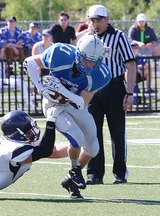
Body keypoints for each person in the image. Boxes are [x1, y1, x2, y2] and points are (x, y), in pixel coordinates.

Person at [24, 34, 111, 198]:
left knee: (93, 147)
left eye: (94, 61)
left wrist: (62, 90)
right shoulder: (60, 53)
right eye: (87, 60)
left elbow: (81, 103)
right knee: (76, 138)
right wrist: (42, 89)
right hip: (53, 104)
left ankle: (71, 178)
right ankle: (75, 168)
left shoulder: (101, 74)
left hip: (73, 104)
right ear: (78, 54)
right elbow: (29, 62)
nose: (90, 64)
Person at [86, 5, 136, 185]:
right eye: (93, 20)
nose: (96, 24)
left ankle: (120, 173)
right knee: (93, 133)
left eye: (99, 20)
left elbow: (130, 65)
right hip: (93, 90)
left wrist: (129, 92)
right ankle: (94, 174)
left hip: (115, 88)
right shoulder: (86, 38)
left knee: (117, 132)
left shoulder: (119, 37)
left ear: (107, 19)